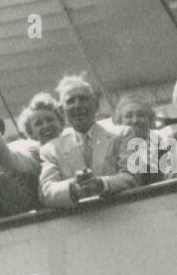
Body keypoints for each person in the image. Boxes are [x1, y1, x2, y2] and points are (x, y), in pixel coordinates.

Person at [39, 75, 137, 210]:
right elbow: (47, 192)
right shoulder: (51, 149)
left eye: (83, 99)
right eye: (70, 101)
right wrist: (73, 187)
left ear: (96, 105)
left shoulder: (123, 134)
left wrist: (101, 184)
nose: (77, 105)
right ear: (62, 111)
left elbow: (133, 177)